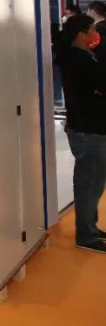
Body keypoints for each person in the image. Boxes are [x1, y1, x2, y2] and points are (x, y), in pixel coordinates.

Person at [57, 14, 106, 253]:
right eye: (91, 30)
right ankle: (86, 235)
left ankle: (90, 227)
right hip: (88, 129)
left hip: (91, 127)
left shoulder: (81, 56)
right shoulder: (79, 60)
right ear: (81, 34)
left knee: (95, 181)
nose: (95, 34)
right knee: (89, 182)